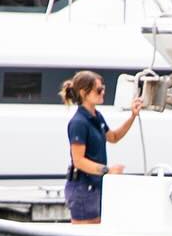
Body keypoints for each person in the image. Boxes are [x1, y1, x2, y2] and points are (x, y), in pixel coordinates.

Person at [61, 70, 143, 224]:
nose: (103, 92)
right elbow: (79, 161)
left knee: (99, 226)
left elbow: (113, 137)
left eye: (103, 88)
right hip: (83, 188)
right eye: (98, 90)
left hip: (96, 185)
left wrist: (132, 116)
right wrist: (107, 170)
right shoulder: (78, 123)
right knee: (86, 230)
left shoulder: (96, 117)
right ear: (84, 93)